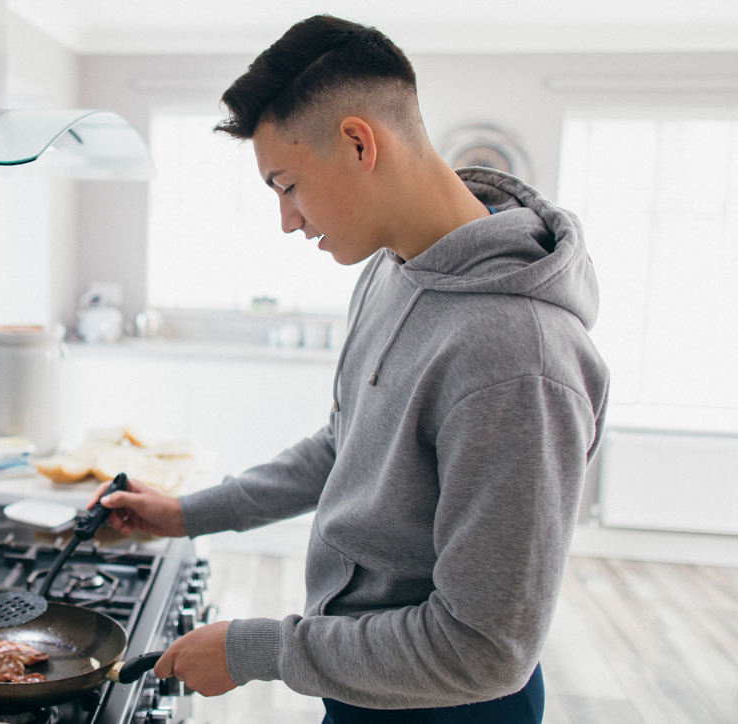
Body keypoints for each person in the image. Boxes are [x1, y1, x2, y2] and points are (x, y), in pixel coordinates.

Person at [89, 15, 608, 723]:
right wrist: (184, 514)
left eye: (287, 184)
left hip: (451, 708)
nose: (288, 221)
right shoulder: (394, 269)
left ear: (359, 143)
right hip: (365, 684)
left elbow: (485, 651)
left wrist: (257, 651)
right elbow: (346, 444)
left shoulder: (523, 360)